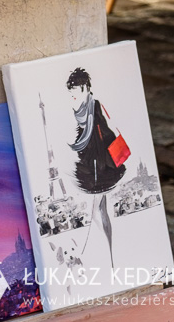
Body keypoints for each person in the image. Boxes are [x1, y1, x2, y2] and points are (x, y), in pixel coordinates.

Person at [66, 67, 125, 269]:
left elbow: (102, 132)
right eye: (71, 89)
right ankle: (104, 253)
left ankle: (105, 253)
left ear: (85, 87)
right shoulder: (81, 109)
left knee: (99, 208)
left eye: (76, 88)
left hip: (100, 166)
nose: (73, 92)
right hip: (92, 166)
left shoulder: (93, 106)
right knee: (99, 207)